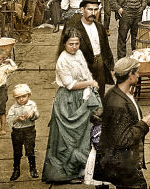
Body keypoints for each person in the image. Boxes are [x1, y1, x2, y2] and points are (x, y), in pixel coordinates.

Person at [41, 29, 102, 183]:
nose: (74, 47)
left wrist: (91, 86)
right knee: (67, 138)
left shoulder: (79, 54)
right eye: (71, 44)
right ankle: (65, 173)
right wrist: (89, 83)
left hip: (82, 97)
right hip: (68, 101)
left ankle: (82, 168)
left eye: (77, 43)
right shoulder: (62, 60)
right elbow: (69, 84)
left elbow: (86, 72)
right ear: (64, 44)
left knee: (84, 134)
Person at [93, 58, 150, 189]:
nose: (138, 75)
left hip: (128, 162)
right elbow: (123, 139)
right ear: (129, 75)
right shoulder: (118, 104)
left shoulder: (121, 93)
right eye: (136, 72)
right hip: (124, 165)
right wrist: (144, 124)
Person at [65, 0, 115, 98]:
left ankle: (99, 112)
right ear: (82, 10)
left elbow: (106, 48)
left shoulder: (100, 27)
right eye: (90, 9)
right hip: (83, 66)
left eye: (96, 10)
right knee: (84, 96)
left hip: (99, 64)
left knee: (99, 94)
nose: (93, 13)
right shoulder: (74, 28)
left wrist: (111, 68)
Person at [7, 83, 38, 181]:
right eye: (18, 98)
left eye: (24, 96)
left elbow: (37, 115)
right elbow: (9, 119)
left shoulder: (32, 105)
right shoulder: (13, 108)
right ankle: (16, 170)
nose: (21, 99)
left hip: (29, 129)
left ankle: (33, 168)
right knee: (17, 151)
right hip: (17, 131)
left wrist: (32, 114)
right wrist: (17, 118)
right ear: (15, 99)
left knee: (30, 149)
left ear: (28, 95)